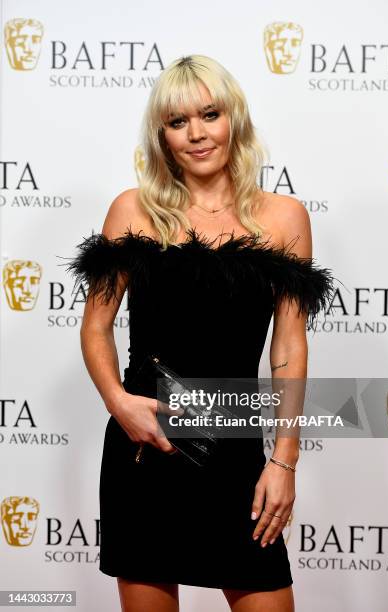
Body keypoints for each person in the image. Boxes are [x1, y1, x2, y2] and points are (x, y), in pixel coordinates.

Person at [62, 55, 334, 612]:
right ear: (161, 135)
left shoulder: (284, 219)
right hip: (145, 448)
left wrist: (284, 462)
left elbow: (288, 348)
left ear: (233, 118)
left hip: (235, 452)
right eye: (177, 121)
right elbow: (96, 326)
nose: (197, 134)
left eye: (209, 114)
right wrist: (120, 404)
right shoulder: (133, 211)